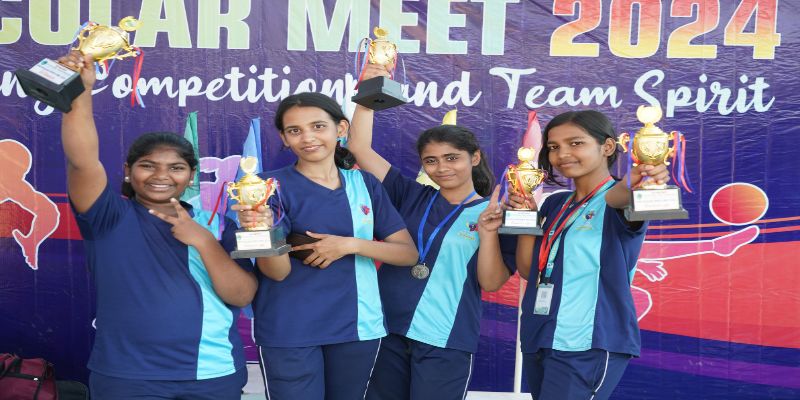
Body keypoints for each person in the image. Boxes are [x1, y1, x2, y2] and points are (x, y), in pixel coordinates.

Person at [59, 51, 276, 399]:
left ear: (191, 175)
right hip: (127, 376)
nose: (161, 175)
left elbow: (241, 295)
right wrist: (80, 91)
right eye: (148, 165)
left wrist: (203, 241)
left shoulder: (219, 224)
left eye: (176, 168)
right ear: (129, 171)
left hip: (212, 373)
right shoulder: (107, 216)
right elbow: (82, 161)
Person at [345, 65, 516, 400]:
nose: (442, 168)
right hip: (388, 329)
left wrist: (488, 234)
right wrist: (369, 90)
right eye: (431, 161)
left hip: (445, 337)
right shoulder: (410, 195)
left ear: (475, 158)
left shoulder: (496, 214)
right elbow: (360, 148)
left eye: (452, 158)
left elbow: (492, 283)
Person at [234, 92, 418, 400]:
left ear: (341, 129)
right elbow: (277, 272)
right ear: (284, 138)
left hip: (358, 327)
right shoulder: (264, 188)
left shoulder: (365, 184)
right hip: (289, 327)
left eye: (318, 126)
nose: (308, 137)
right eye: (295, 130)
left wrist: (348, 245)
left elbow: (407, 253)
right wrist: (264, 230)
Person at [514, 110, 669, 400]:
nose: (562, 154)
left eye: (576, 143)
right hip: (541, 336)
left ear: (607, 146)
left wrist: (636, 180)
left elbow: (616, 198)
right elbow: (528, 269)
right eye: (554, 146)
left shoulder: (620, 199)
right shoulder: (555, 204)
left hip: (588, 342)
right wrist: (525, 215)